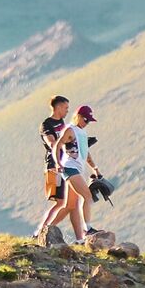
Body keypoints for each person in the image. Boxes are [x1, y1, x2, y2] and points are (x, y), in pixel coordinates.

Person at [49, 104, 103, 244]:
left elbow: (86, 153)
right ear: (78, 116)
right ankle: (87, 229)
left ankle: (47, 230)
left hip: (77, 169)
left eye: (89, 121)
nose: (87, 123)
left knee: (70, 205)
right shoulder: (70, 130)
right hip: (69, 168)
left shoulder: (82, 133)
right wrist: (57, 163)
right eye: (85, 119)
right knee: (87, 196)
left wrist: (94, 168)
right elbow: (58, 145)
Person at [34, 95, 69, 239]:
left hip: (65, 163)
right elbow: (52, 143)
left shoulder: (62, 122)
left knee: (65, 202)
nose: (67, 111)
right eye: (66, 108)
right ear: (58, 107)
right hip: (54, 165)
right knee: (59, 201)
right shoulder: (46, 124)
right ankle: (42, 230)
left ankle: (45, 230)